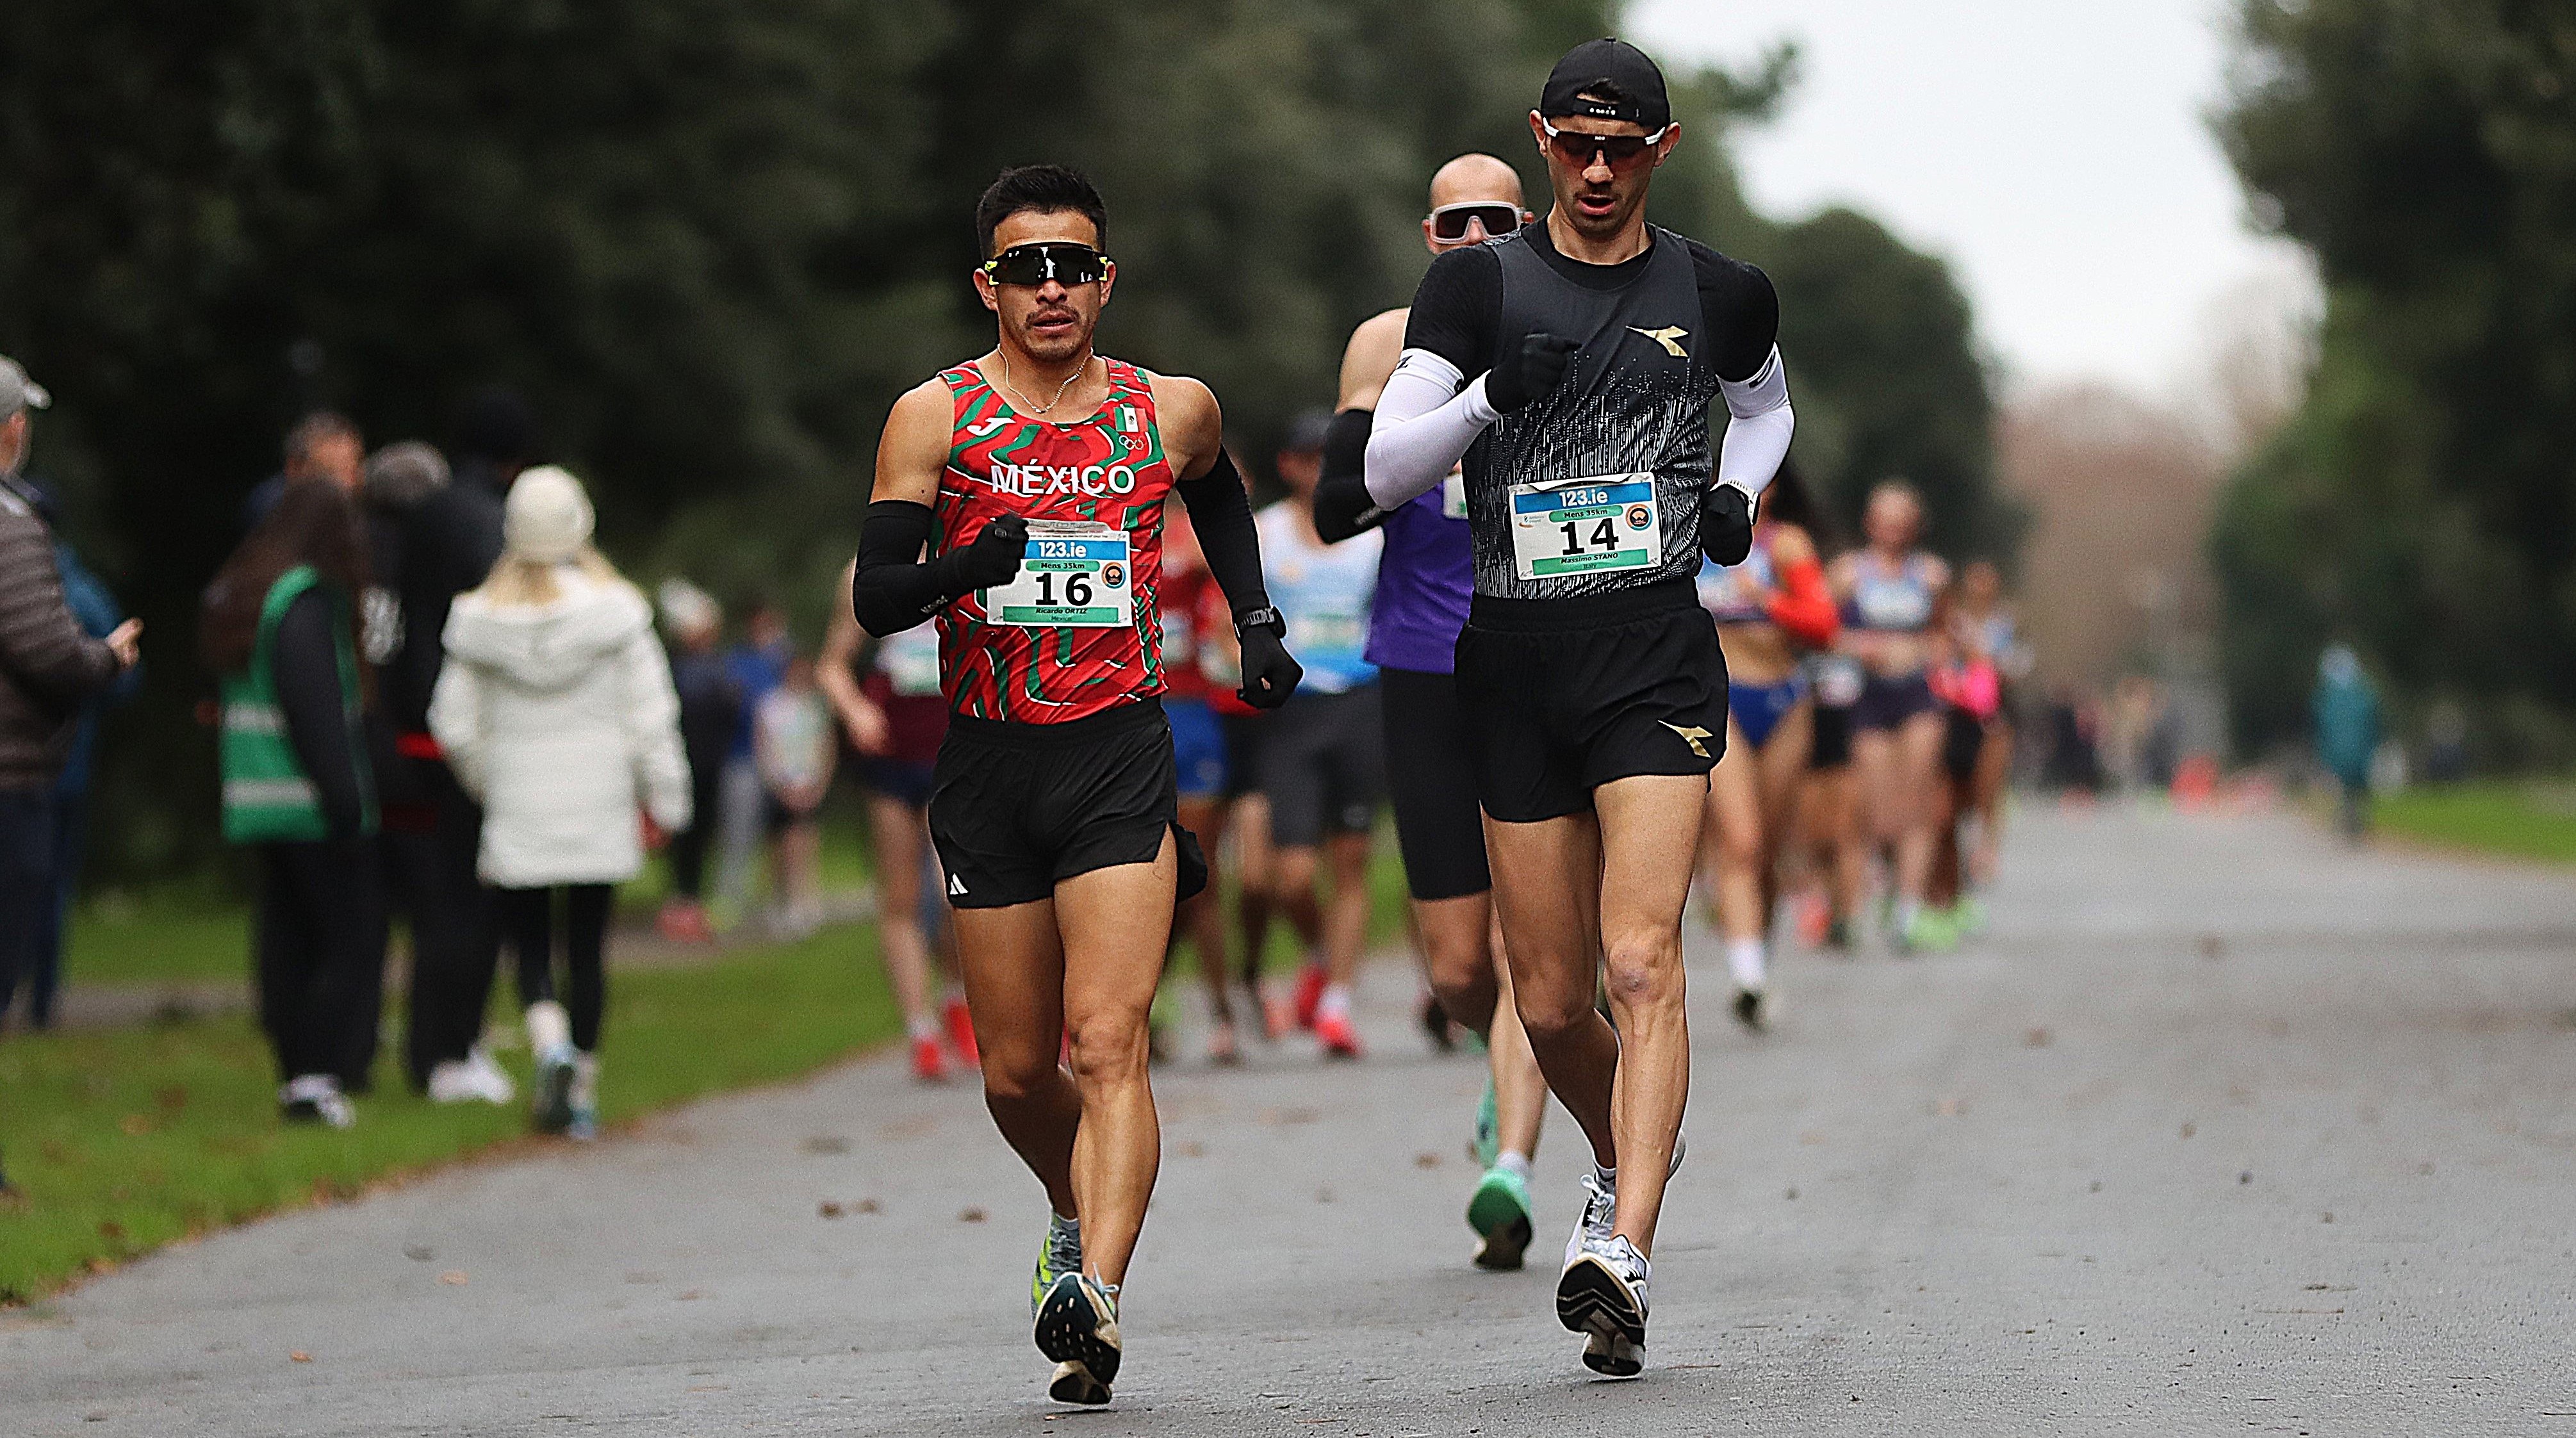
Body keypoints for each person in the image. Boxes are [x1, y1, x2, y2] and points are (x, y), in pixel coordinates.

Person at [1350, 41, 1794, 1376]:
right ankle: (1623, 1148)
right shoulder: (1473, 285)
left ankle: (1625, 1247)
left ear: (1660, 149)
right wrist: (1489, 398)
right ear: (1543, 141)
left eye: (1625, 148)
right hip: (1514, 661)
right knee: (1544, 1003)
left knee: (1642, 960)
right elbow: (1381, 468)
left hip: (1653, 650)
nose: (1598, 171)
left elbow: (1765, 412)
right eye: (1576, 146)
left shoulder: (1720, 289)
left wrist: (1739, 499)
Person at [851, 164, 1298, 1406]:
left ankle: (1094, 1292)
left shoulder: (1169, 409)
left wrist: (1254, 620)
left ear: (1106, 281)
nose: (1053, 288)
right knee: (1013, 1070)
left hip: (1119, 749)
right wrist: (962, 567)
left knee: (1109, 1043)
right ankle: (1067, 1202)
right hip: (990, 759)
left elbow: (1218, 493)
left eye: (1075, 266)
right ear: (986, 286)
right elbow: (874, 594)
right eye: (1026, 268)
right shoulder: (935, 418)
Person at [1311, 151, 1557, 1270]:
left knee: (1531, 950)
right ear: (1428, 233)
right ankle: (1494, 1066)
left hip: (1537, 655)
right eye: (1452, 221)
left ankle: (1511, 1163)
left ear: (1525, 223)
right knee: (1459, 966)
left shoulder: (1566, 321)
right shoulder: (1380, 342)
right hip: (1417, 663)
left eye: (1492, 219)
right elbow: (1333, 506)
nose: (1471, 237)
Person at [429, 466, 691, 1140]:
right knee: (587, 945)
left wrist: (493, 780)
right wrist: (667, 798)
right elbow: (651, 715)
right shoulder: (616, 614)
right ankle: (581, 1087)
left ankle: (548, 1045)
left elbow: (452, 722)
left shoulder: (479, 621)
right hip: (598, 799)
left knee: (531, 944)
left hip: (519, 801)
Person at [204, 480, 382, 1124]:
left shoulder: (247, 593)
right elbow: (315, 716)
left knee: (286, 942)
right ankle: (316, 1076)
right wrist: (345, 804)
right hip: (307, 802)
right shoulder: (301, 602)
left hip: (257, 797)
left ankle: (296, 1077)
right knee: (348, 941)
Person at [1, 356, 142, 1050]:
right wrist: (107, 659)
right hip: (27, 769)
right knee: (37, 892)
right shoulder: (18, 533)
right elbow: (50, 651)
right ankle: (43, 1001)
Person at [390, 391, 521, 1101]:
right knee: (471, 901)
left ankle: (429, 1047)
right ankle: (453, 1048)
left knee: (436, 899)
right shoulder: (487, 523)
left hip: (417, 724)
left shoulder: (427, 513)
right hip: (468, 733)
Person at [1256, 411, 1383, 1059]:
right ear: (1288, 465)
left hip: (1360, 704)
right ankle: (1314, 956)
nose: (1319, 469)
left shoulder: (1372, 531)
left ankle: (1335, 1003)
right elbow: (1232, 612)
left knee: (1352, 861)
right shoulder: (1266, 532)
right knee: (1293, 877)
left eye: (1329, 459)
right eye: (1308, 458)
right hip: (1294, 713)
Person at [819, 566, 978, 1081]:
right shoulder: (866, 569)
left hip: (953, 745)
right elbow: (832, 666)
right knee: (901, 897)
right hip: (890, 750)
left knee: (955, 889)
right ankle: (921, 1030)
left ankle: (956, 995)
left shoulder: (970, 552)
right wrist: (854, 711)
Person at [1693, 461, 1836, 1025]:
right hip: (1716, 699)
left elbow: (1823, 623)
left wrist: (1765, 598)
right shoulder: (1686, 534)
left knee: (1769, 850)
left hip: (1781, 702)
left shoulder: (1785, 544)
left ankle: (1757, 954)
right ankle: (1746, 978)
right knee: (1742, 841)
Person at [1830, 482, 1951, 953]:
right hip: (1869, 696)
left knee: (1918, 802)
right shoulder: (1848, 574)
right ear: (1869, 522)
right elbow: (1820, 628)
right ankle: (1880, 884)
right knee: (1880, 813)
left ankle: (1908, 910)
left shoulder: (1931, 575)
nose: (1893, 527)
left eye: (1901, 518)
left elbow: (1944, 632)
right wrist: (1857, 645)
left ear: (1913, 524)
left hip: (1918, 695)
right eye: (1884, 517)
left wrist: (1928, 650)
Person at [1151, 500, 1247, 1062]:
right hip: (1125, 716)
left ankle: (1221, 1013)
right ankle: (1142, 1010)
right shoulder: (1095, 514)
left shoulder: (1195, 528)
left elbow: (1232, 562)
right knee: (1136, 883)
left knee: (1199, 878)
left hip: (1191, 717)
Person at [656, 578, 737, 945]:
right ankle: (680, 901)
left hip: (711, 767)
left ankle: (691, 901)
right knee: (682, 837)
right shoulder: (672, 669)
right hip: (682, 766)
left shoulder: (716, 668)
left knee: (700, 837)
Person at [715, 600, 792, 922]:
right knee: (738, 833)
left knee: (786, 837)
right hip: (744, 759)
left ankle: (784, 905)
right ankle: (730, 902)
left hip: (786, 765)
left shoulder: (787, 662)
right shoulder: (738, 662)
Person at [755, 650, 835, 938]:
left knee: (804, 843)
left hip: (809, 784)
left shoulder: (816, 707)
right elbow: (764, 747)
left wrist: (818, 786)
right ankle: (780, 899)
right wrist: (779, 786)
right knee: (779, 846)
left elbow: (827, 747)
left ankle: (804, 900)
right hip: (781, 785)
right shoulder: (771, 706)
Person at [2311, 644, 2379, 840]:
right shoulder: (2365, 694)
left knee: (2345, 783)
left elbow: (2320, 728)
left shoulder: (2325, 697)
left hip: (2337, 753)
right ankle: (2356, 817)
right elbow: (2375, 724)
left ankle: (2348, 815)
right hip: (2361, 752)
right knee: (2358, 784)